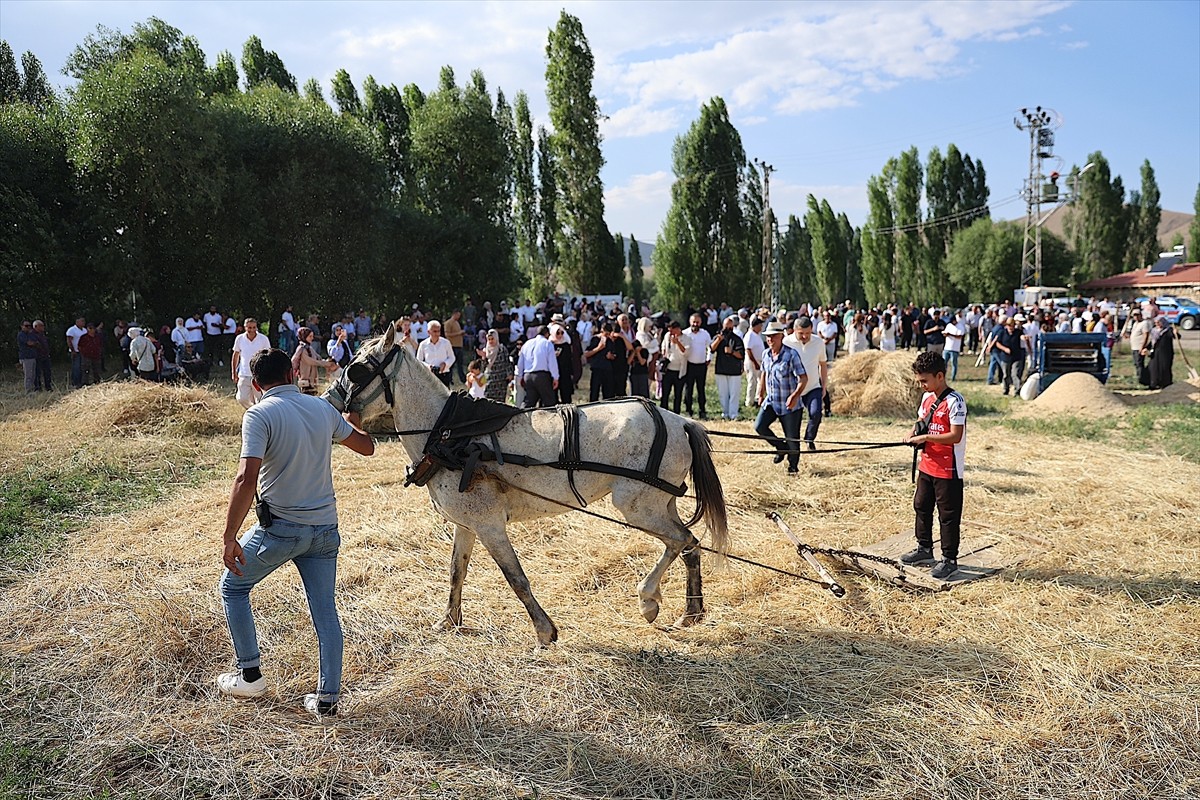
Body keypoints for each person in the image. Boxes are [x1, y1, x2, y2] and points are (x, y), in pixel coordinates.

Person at [215, 348, 374, 718]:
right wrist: (353, 416)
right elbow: (366, 447)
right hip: (325, 531)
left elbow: (245, 477)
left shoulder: (259, 415)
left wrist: (229, 536)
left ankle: (250, 674)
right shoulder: (322, 409)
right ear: (292, 373)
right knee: (325, 613)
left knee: (233, 587)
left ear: (255, 384)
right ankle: (328, 700)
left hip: (281, 529)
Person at [900, 350, 967, 581]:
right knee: (921, 505)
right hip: (927, 465)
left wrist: (926, 438)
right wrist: (913, 432)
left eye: (924, 381)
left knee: (948, 515)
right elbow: (922, 420)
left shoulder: (955, 401)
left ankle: (949, 559)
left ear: (940, 376)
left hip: (948, 469)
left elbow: (955, 436)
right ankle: (924, 548)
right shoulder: (927, 398)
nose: (921, 386)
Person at [755, 320, 807, 474]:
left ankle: (793, 468)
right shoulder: (766, 354)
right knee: (759, 426)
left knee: (792, 438)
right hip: (772, 401)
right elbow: (764, 373)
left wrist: (795, 395)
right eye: (768, 337)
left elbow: (803, 378)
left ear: (781, 336)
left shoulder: (791, 354)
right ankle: (780, 447)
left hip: (790, 404)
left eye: (774, 336)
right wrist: (760, 392)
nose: (770, 340)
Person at [783, 316, 828, 450]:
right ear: (794, 331)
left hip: (813, 387)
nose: (805, 336)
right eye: (801, 333)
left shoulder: (818, 342)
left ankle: (809, 439)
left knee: (816, 414)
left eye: (808, 333)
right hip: (793, 389)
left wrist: (824, 386)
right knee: (792, 422)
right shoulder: (786, 342)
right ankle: (792, 444)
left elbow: (823, 365)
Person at [231, 318, 272, 409]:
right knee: (242, 398)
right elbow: (235, 355)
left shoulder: (263, 339)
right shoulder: (240, 339)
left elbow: (268, 355)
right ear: (245, 327)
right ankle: (253, 409)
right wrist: (234, 372)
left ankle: (259, 414)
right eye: (249, 327)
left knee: (260, 398)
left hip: (259, 374)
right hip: (244, 373)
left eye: (254, 327)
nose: (252, 330)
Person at [710, 316, 746, 420]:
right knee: (723, 394)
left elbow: (741, 355)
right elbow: (711, 349)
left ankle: (733, 414)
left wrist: (732, 352)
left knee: (734, 394)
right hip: (721, 369)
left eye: (730, 328)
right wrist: (718, 340)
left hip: (734, 371)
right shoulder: (718, 337)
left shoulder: (737, 339)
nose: (728, 330)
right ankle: (725, 413)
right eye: (726, 327)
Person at [516, 325, 560, 408]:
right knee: (549, 402)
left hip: (528, 375)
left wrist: (520, 376)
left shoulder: (527, 344)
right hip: (542, 376)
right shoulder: (547, 344)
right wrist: (555, 377)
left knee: (528, 402)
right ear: (547, 334)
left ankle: (522, 418)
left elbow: (520, 362)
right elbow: (552, 362)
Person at [682, 313, 712, 419]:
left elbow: (710, 347)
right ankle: (688, 410)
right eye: (694, 321)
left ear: (701, 322)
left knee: (701, 389)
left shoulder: (705, 334)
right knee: (688, 388)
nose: (695, 324)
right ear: (690, 322)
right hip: (689, 365)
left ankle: (702, 410)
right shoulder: (685, 333)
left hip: (701, 365)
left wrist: (709, 358)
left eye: (697, 322)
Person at [659, 320, 689, 413]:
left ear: (678, 329)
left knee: (678, 394)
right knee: (665, 393)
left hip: (680, 370)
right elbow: (663, 347)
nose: (670, 332)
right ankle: (663, 412)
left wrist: (677, 343)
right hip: (668, 369)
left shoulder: (686, 338)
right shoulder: (667, 336)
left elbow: (686, 352)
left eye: (672, 330)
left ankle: (676, 412)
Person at [417, 320, 455, 387]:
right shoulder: (423, 344)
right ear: (428, 332)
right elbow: (419, 360)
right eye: (434, 331)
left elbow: (452, 357)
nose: (437, 334)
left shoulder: (446, 343)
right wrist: (428, 367)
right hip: (429, 375)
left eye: (438, 331)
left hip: (444, 374)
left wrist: (445, 364)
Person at [993, 317, 1023, 396]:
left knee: (1015, 374)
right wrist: (1004, 349)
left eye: (1012, 325)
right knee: (1006, 374)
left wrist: (1024, 337)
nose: (1011, 327)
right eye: (1009, 325)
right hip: (1005, 357)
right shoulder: (1002, 332)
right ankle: (1006, 389)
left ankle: (1017, 390)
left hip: (1016, 356)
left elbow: (1022, 336)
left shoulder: (1018, 332)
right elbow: (997, 343)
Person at [1145, 317, 1175, 390]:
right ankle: (1153, 383)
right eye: (1156, 322)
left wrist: (1175, 332)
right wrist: (1146, 348)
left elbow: (1175, 336)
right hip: (1155, 352)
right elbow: (1152, 342)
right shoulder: (1154, 331)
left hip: (1166, 353)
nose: (1157, 324)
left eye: (1159, 322)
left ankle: (1165, 384)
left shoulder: (1168, 330)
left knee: (1164, 368)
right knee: (1153, 368)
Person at [742, 316, 765, 409]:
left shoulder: (757, 335)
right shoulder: (750, 335)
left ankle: (757, 398)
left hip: (759, 361)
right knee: (752, 381)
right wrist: (755, 362)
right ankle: (749, 401)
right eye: (760, 325)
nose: (761, 327)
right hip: (752, 361)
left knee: (760, 381)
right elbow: (748, 350)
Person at [443, 309, 467, 384]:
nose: (459, 317)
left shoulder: (457, 323)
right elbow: (447, 334)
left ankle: (463, 379)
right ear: (454, 314)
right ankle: (449, 380)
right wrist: (458, 333)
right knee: (451, 365)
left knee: (460, 364)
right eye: (458, 315)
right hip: (452, 346)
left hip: (459, 346)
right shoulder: (448, 323)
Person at [941, 313, 964, 381]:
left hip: (955, 348)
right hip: (947, 347)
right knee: (943, 364)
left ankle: (953, 377)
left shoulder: (960, 326)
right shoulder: (949, 325)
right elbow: (945, 333)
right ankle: (943, 377)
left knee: (954, 363)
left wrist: (950, 334)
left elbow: (960, 336)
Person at [31, 320, 53, 390]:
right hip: (37, 356)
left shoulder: (42, 334)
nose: (43, 327)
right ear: (36, 326)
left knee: (47, 372)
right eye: (41, 326)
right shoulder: (32, 334)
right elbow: (36, 345)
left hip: (45, 355)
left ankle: (48, 386)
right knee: (37, 373)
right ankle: (38, 387)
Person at [66, 316, 87, 388]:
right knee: (76, 367)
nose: (83, 322)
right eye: (82, 321)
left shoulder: (85, 330)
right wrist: (72, 350)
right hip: (75, 351)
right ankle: (75, 383)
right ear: (77, 322)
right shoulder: (72, 330)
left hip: (83, 351)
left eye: (84, 321)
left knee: (82, 367)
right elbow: (69, 340)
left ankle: (81, 382)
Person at [17, 321, 38, 393]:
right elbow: (30, 343)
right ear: (21, 326)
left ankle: (32, 389)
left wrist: (34, 343)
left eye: (29, 326)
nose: (28, 327)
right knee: (28, 375)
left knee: (33, 375)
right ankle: (28, 391)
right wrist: (34, 343)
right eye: (26, 326)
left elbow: (36, 342)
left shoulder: (30, 334)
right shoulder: (21, 335)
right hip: (26, 357)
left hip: (32, 356)